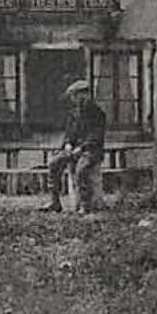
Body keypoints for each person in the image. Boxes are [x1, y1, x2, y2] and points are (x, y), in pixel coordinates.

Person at [43, 79, 107, 214]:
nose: (74, 99)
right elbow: (69, 133)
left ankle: (85, 205)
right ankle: (55, 202)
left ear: (85, 95)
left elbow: (95, 137)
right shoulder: (73, 114)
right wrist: (67, 144)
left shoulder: (98, 114)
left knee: (80, 170)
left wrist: (82, 148)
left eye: (76, 96)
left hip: (91, 151)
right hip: (73, 149)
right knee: (53, 164)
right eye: (73, 96)